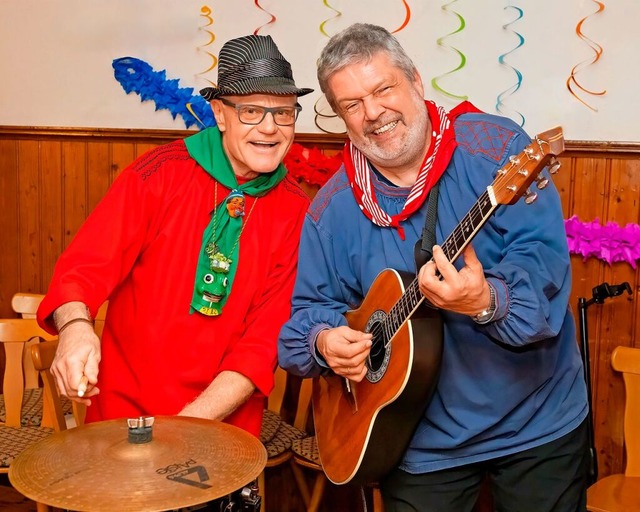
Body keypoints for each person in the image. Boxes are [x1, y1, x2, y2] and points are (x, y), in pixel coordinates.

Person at [278, 23, 589, 512]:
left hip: (535, 421)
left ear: (416, 82)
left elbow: (543, 271)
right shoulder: (331, 212)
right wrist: (323, 341)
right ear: (339, 117)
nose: (374, 113)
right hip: (416, 441)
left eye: (383, 89)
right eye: (352, 105)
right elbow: (304, 319)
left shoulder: (498, 152)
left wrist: (487, 302)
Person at [37, 34, 313, 443]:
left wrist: (183, 429)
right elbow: (84, 268)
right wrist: (76, 327)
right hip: (123, 418)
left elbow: (260, 346)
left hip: (219, 429)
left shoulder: (297, 212)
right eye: (252, 111)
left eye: (285, 113)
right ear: (220, 113)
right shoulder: (156, 175)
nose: (270, 129)